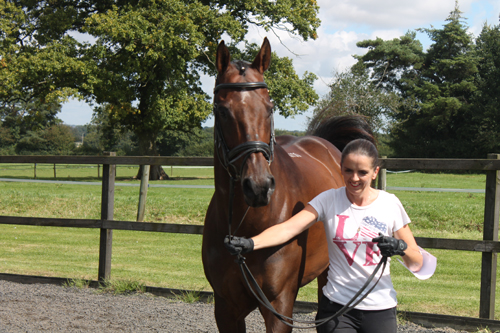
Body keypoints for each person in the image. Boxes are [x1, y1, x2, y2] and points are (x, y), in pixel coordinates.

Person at [224, 138, 424, 333]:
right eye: (348, 170)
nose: (354, 178)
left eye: (362, 172)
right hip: (337, 309)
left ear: (375, 173)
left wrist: (401, 248)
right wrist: (251, 243)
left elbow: (417, 261)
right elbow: (289, 228)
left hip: (380, 308)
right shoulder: (329, 199)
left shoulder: (389, 204)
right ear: (341, 168)